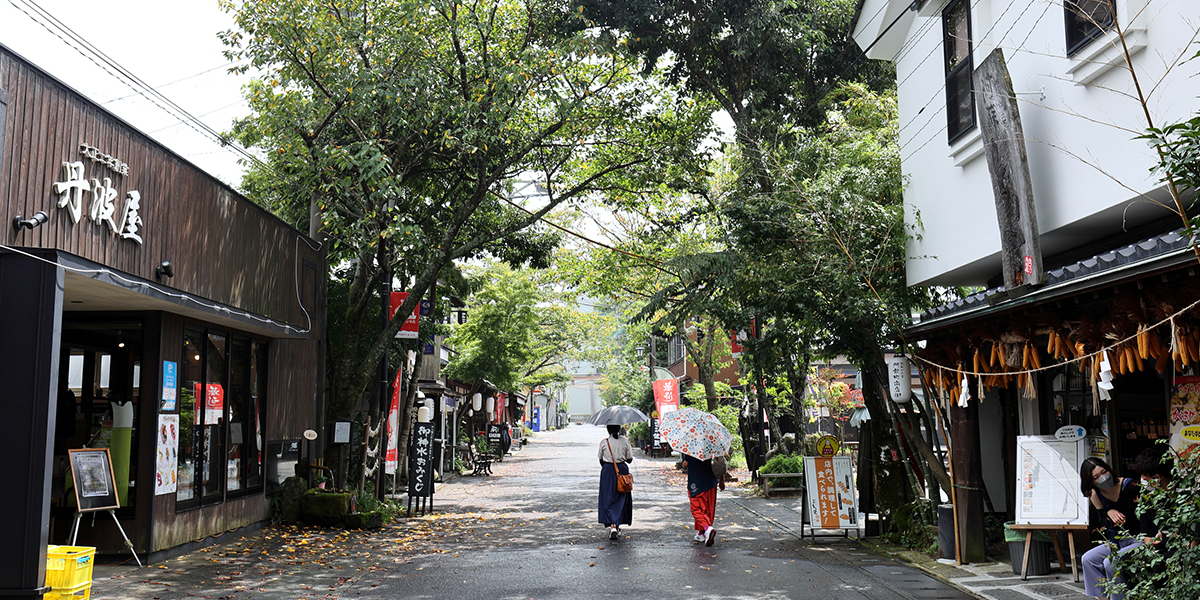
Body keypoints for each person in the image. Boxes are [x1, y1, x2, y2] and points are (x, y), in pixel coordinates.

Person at [1079, 457, 1141, 599]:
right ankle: (1102, 597)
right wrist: (1107, 511)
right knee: (1088, 559)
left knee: (1111, 562)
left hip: (1140, 539)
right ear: (1091, 481)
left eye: (1104, 472)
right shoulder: (1096, 495)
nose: (1103, 477)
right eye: (1096, 477)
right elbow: (1104, 525)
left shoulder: (1130, 485)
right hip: (1118, 541)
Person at [597, 424, 633, 540]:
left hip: (607, 470)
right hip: (622, 470)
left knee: (608, 497)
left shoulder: (604, 442)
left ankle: (612, 525)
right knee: (621, 497)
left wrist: (609, 465)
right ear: (619, 429)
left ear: (608, 430)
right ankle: (616, 524)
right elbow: (630, 459)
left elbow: (600, 459)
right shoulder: (625, 442)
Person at [682, 453, 723, 546]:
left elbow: (685, 464)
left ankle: (707, 528)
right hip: (711, 482)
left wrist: (684, 464)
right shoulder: (711, 444)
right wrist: (722, 480)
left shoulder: (692, 447)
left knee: (696, 509)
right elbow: (720, 463)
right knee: (709, 508)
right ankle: (702, 533)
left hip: (697, 482)